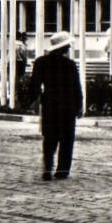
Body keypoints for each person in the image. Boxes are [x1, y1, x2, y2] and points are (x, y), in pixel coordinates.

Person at [27, 31, 83, 181]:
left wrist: (32, 101)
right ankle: (62, 170)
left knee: (49, 138)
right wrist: (79, 106)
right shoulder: (70, 65)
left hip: (50, 105)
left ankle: (47, 167)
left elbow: (34, 86)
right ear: (64, 48)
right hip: (68, 106)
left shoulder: (40, 62)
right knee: (66, 139)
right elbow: (76, 87)